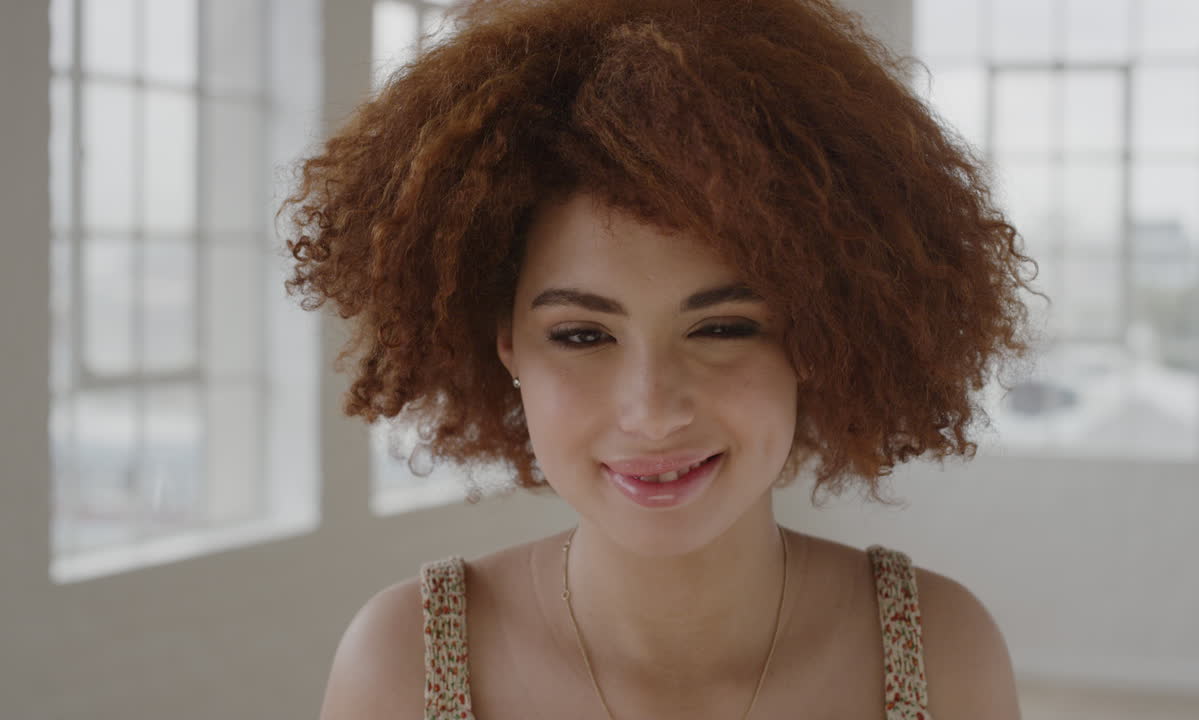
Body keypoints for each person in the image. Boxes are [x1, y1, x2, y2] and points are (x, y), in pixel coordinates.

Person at [282, 0, 1036, 717]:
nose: (651, 410)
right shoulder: (401, 667)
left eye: (723, 329)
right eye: (582, 335)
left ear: (822, 338)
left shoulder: (941, 655)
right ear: (505, 343)